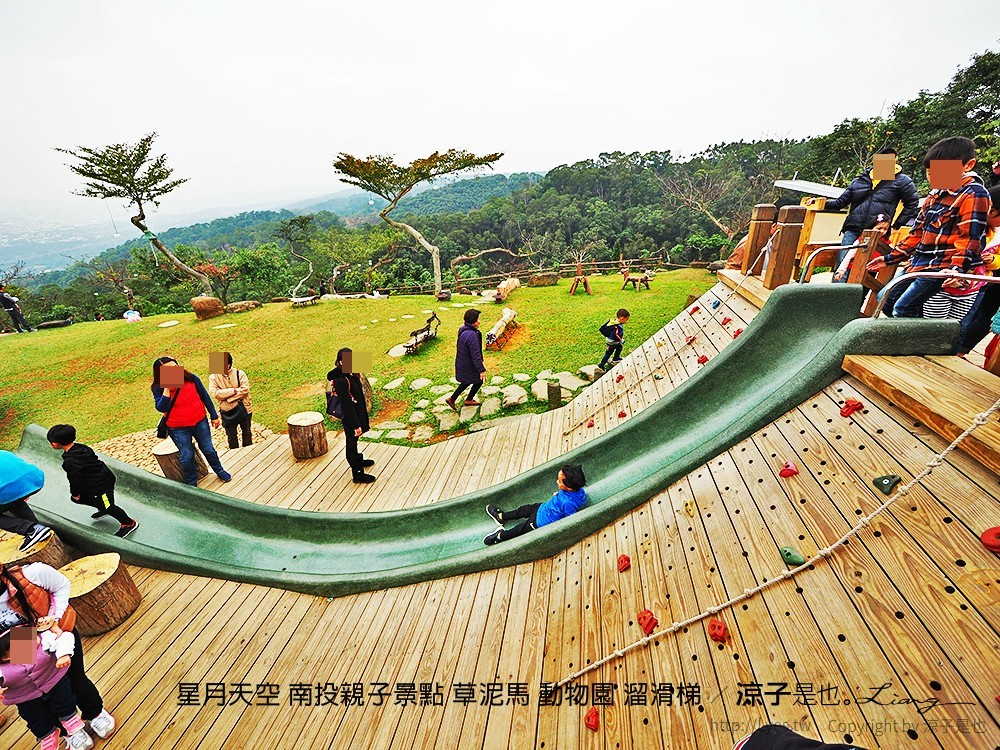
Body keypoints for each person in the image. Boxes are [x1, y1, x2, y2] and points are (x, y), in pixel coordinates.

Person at [868, 137, 991, 318]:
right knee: (885, 299)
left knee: (902, 308)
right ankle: (917, 338)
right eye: (930, 172)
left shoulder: (974, 194)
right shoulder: (934, 197)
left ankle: (917, 345)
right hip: (920, 262)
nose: (934, 177)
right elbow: (917, 233)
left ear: (968, 165)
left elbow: (969, 238)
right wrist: (890, 258)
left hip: (942, 265)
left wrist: (957, 268)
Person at [0, 561, 116, 742]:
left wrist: (55, 619)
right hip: (22, 643)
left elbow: (62, 585)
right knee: (43, 694)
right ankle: (72, 732)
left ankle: (95, 713)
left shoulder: (30, 574)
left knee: (76, 679)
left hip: (57, 634)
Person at [818, 147, 919, 280]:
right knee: (843, 267)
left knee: (868, 271)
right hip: (853, 229)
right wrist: (821, 202)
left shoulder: (901, 181)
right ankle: (838, 298)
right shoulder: (860, 180)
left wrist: (896, 225)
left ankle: (859, 299)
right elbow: (840, 202)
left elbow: (912, 203)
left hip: (877, 231)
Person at [0, 626, 95, 750]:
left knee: (63, 699)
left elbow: (63, 637)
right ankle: (47, 734)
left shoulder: (38, 639)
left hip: (50, 678)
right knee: (33, 715)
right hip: (24, 694)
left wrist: (63, 654)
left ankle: (71, 718)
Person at [45, 424, 138, 538]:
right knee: (99, 501)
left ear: (54, 444)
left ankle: (128, 523)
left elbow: (74, 479)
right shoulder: (81, 448)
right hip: (101, 479)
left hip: (100, 486)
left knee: (108, 506)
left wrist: (75, 493)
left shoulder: (70, 461)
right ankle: (102, 507)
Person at [151, 356, 231, 486]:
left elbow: (205, 396)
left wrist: (214, 415)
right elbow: (161, 408)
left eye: (175, 367)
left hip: (199, 421)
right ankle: (192, 481)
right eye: (168, 370)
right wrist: (166, 388)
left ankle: (219, 470)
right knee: (186, 455)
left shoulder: (191, 378)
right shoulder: (158, 388)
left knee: (208, 449)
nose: (174, 371)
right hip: (178, 427)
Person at [484, 464, 587, 545]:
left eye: (560, 482)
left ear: (569, 487)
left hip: (540, 520)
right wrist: (558, 496)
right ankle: (500, 517)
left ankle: (499, 536)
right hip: (544, 507)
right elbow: (571, 497)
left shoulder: (568, 503)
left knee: (519, 529)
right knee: (523, 510)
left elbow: (570, 520)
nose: (556, 482)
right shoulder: (577, 490)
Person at [955, 184, 1000, 356]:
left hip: (981, 282)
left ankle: (960, 350)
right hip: (959, 278)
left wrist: (994, 260)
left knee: (977, 316)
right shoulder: (971, 222)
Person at [327, 348, 375, 484]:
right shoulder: (341, 380)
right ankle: (357, 473)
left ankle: (359, 460)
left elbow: (367, 363)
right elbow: (346, 405)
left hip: (358, 413)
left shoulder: (350, 371)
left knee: (355, 442)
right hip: (351, 418)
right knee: (351, 444)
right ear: (341, 362)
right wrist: (355, 425)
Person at [0, 451, 53, 553]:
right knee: (11, 500)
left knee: (8, 496)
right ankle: (38, 528)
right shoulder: (2, 452)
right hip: (33, 479)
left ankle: (31, 529)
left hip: (12, 488)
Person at [208, 352, 254, 449]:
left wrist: (227, 398)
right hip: (227, 411)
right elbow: (215, 393)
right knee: (231, 437)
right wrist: (233, 391)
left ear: (228, 365)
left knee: (247, 433)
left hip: (244, 408)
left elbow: (245, 390)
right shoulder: (213, 377)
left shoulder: (239, 373)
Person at [446, 309, 486, 411]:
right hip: (469, 364)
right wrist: (481, 369)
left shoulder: (463, 329)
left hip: (463, 362)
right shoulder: (472, 335)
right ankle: (468, 399)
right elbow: (475, 355)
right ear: (474, 322)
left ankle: (452, 399)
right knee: (479, 380)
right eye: (478, 319)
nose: (479, 321)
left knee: (466, 381)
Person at [832, 214, 891, 282]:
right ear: (872, 227)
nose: (882, 231)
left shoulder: (886, 243)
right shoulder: (861, 240)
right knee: (852, 288)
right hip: (855, 269)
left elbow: (891, 255)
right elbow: (849, 256)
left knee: (865, 289)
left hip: (872, 271)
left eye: (885, 229)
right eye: (879, 228)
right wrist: (841, 271)